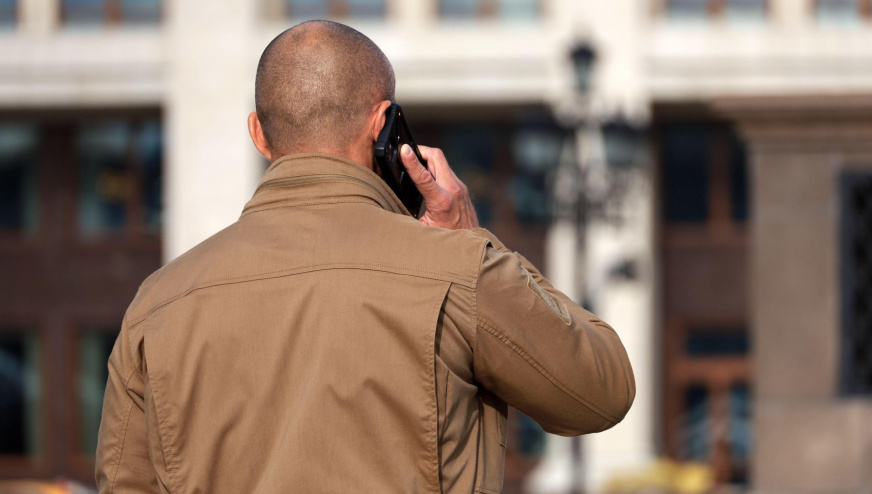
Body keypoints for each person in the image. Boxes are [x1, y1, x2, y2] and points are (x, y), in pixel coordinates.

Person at [95, 20, 635, 494]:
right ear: (384, 126)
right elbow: (599, 391)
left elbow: (124, 482)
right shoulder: (456, 271)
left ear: (259, 134)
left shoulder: (157, 304)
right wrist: (471, 238)